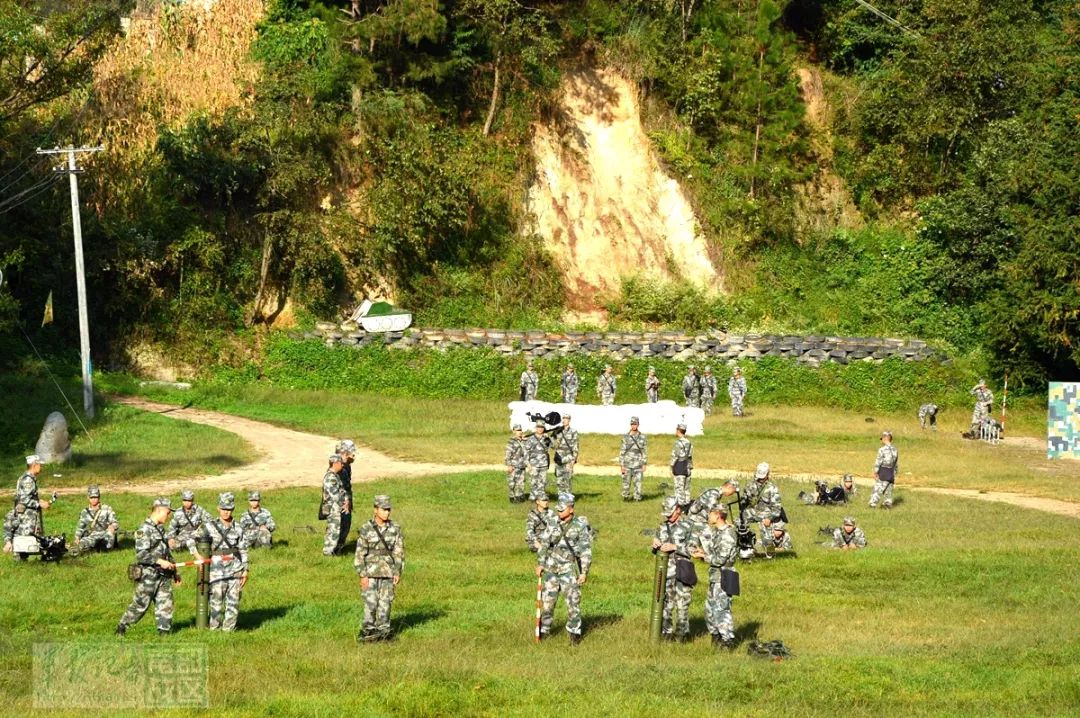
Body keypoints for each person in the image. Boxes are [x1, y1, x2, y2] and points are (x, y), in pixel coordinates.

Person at [116, 497, 179, 636]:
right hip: (148, 575)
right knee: (140, 605)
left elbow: (166, 551)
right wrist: (159, 561)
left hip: (164, 575)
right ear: (159, 510)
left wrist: (175, 571)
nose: (169, 516)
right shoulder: (143, 530)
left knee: (166, 604)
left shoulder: (161, 529)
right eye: (168, 513)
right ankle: (123, 626)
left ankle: (164, 632)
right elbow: (141, 555)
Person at [536, 493, 592, 645]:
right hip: (551, 569)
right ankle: (544, 631)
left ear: (571, 509)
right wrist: (541, 563)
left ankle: (574, 634)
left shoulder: (580, 526)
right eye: (558, 509)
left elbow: (585, 550)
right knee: (547, 603)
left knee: (573, 603)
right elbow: (544, 544)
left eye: (562, 509)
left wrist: (584, 572)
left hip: (569, 570)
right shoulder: (552, 522)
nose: (559, 512)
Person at [354, 495, 404, 642]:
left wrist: (397, 571)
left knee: (386, 602)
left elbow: (398, 551)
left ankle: (384, 631)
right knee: (370, 602)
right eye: (383, 509)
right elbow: (359, 553)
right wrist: (362, 574)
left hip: (388, 572)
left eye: (389, 509)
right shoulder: (366, 529)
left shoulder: (395, 529)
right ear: (375, 510)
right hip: (370, 572)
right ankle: (368, 630)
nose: (387, 513)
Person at [691, 504, 738, 650]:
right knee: (710, 609)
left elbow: (720, 559)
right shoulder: (718, 532)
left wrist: (703, 556)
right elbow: (713, 551)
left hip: (724, 576)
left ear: (718, 515)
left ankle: (727, 641)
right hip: (715, 577)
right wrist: (702, 551)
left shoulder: (727, 534)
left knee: (722, 610)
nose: (708, 516)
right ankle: (716, 636)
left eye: (711, 513)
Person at [651, 496, 697, 642]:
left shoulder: (689, 526)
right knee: (665, 604)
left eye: (670, 514)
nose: (668, 517)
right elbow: (657, 553)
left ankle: (682, 635)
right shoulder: (662, 527)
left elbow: (694, 549)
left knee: (682, 604)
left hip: (683, 571)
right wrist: (655, 546)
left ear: (678, 510)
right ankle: (666, 633)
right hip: (665, 572)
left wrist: (675, 547)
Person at [204, 492, 251, 631]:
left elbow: (243, 549)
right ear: (218, 508)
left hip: (235, 570)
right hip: (216, 571)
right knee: (216, 603)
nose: (226, 512)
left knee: (233, 603)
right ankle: (214, 629)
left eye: (229, 509)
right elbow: (191, 540)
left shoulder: (239, 527)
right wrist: (198, 557)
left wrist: (245, 570)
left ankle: (228, 631)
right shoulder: (209, 526)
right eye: (224, 509)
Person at [12, 454, 52, 560]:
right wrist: (39, 504)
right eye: (40, 465)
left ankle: (22, 559)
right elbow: (24, 499)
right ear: (34, 465)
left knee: (27, 537)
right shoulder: (28, 480)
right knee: (26, 537)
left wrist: (39, 500)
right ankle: (20, 559)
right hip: (27, 516)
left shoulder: (27, 478)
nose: (41, 467)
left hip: (27, 515)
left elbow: (28, 496)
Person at [73, 485, 119, 553]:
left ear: (99, 497)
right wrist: (77, 538)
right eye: (92, 497)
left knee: (105, 547)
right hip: (93, 534)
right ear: (88, 498)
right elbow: (80, 527)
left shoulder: (107, 508)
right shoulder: (85, 512)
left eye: (96, 497)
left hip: (106, 533)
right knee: (82, 544)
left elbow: (115, 522)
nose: (94, 499)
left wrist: (112, 527)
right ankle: (94, 546)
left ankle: (104, 547)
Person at [167, 489, 211, 555]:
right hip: (184, 536)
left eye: (189, 500)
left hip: (197, 534)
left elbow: (210, 520)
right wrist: (171, 538)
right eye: (185, 500)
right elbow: (172, 527)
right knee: (171, 545)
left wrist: (202, 527)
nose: (187, 503)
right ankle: (188, 547)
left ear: (192, 501)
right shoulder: (178, 513)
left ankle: (194, 547)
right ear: (182, 501)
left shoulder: (199, 509)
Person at [322, 454, 350, 556]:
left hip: (338, 509)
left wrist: (347, 501)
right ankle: (328, 553)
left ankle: (334, 551)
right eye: (341, 463)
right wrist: (344, 503)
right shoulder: (330, 477)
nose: (342, 465)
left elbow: (343, 491)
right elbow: (335, 494)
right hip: (333, 509)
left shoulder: (336, 476)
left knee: (337, 530)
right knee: (333, 531)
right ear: (335, 463)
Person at [336, 440, 358, 554]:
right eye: (352, 453)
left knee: (346, 525)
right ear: (344, 453)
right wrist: (344, 501)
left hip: (346, 501)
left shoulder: (347, 466)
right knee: (340, 526)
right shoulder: (338, 466)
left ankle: (339, 547)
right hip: (340, 503)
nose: (354, 456)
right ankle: (336, 550)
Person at [619, 416, 648, 501]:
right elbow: (622, 451)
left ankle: (637, 498)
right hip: (627, 463)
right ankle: (625, 497)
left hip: (638, 464)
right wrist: (621, 465)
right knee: (626, 482)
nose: (634, 426)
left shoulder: (642, 437)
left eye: (635, 424)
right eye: (632, 424)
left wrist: (644, 464)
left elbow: (644, 451)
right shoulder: (625, 437)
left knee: (638, 483)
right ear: (630, 425)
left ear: (638, 424)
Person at [525, 420, 554, 500]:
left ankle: (541, 496)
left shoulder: (546, 438)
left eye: (542, 427)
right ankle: (533, 496)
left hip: (544, 463)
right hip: (533, 463)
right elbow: (526, 451)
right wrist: (527, 463)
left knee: (543, 481)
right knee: (533, 481)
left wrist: (548, 438)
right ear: (535, 428)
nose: (540, 429)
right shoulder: (531, 439)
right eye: (538, 427)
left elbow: (553, 446)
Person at [869, 431, 898, 509]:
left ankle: (872, 504)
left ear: (885, 438)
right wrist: (894, 473)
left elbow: (878, 461)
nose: (881, 440)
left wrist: (875, 472)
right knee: (888, 489)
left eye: (882, 438)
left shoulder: (882, 449)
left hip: (883, 471)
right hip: (891, 472)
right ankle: (887, 504)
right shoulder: (895, 449)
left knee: (878, 488)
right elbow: (896, 463)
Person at [552, 414, 579, 495]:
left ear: (569, 420)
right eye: (563, 418)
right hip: (559, 457)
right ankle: (560, 496)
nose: (564, 420)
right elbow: (553, 445)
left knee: (567, 479)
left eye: (566, 419)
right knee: (559, 479)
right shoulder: (558, 430)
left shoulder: (573, 431)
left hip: (569, 457)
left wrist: (573, 460)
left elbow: (576, 446)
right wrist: (552, 436)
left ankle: (568, 498)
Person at [670, 424, 693, 508]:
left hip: (679, 467)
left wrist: (672, 467)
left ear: (678, 431)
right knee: (686, 488)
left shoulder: (678, 443)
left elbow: (675, 456)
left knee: (679, 488)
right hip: (687, 466)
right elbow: (690, 456)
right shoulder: (689, 443)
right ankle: (687, 506)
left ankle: (680, 507)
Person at [505, 424, 528, 503]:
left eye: (520, 430)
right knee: (512, 482)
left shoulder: (524, 441)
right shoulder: (511, 441)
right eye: (517, 430)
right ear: (514, 431)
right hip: (514, 465)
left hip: (522, 465)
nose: (519, 432)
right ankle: (512, 496)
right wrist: (509, 465)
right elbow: (508, 454)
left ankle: (519, 496)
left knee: (521, 482)